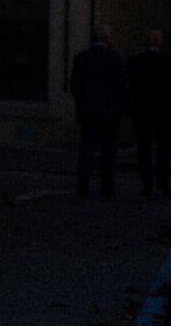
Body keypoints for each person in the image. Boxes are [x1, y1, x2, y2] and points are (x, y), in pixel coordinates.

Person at [70, 26, 128, 198]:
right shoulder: (115, 59)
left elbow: (75, 85)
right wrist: (121, 107)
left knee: (87, 147)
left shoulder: (81, 58)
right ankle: (107, 186)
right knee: (108, 150)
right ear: (107, 39)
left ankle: (84, 182)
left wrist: (82, 103)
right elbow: (122, 86)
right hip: (109, 112)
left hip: (88, 111)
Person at [127, 30, 171, 199]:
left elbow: (131, 84)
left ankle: (147, 183)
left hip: (142, 110)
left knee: (144, 148)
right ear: (159, 43)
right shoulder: (166, 62)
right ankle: (163, 181)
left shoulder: (135, 62)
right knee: (163, 147)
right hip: (162, 111)